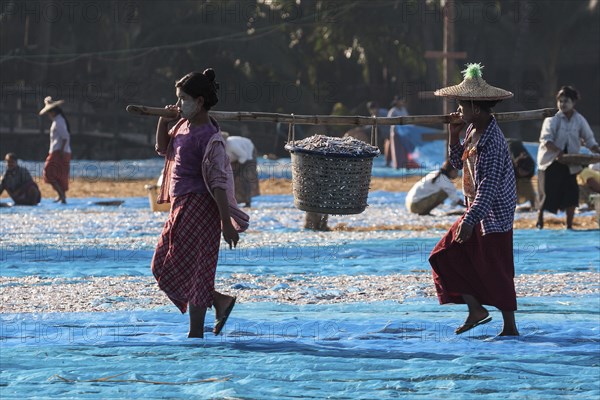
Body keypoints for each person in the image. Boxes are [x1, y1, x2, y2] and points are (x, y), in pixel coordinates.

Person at [152, 69, 249, 338]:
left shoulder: (209, 138)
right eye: (178, 99)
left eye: (183, 99)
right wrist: (163, 119)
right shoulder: (183, 125)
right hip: (180, 205)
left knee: (197, 270)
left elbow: (218, 184)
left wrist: (225, 223)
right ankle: (219, 301)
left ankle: (196, 333)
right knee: (162, 264)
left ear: (200, 102)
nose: (179, 104)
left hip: (201, 207)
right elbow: (163, 147)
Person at [428, 63, 519, 336]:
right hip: (475, 210)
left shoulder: (491, 140)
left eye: (461, 106)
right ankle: (476, 310)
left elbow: (488, 190)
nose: (458, 110)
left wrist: (469, 222)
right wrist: (452, 134)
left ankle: (510, 327)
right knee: (445, 256)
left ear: (476, 109)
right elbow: (457, 163)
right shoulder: (471, 130)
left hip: (493, 214)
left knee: (496, 267)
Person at [536, 86, 600, 229]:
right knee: (547, 194)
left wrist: (597, 150)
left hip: (570, 163)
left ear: (573, 103)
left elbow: (589, 140)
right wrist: (559, 152)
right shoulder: (552, 119)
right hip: (551, 162)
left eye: (566, 101)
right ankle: (540, 220)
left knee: (571, 194)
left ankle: (569, 225)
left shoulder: (579, 120)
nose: (562, 104)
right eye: (560, 101)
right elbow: (546, 140)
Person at [39, 96, 71, 204]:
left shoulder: (59, 121)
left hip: (59, 151)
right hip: (58, 150)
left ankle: (62, 195)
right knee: (58, 174)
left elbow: (65, 137)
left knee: (49, 173)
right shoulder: (58, 121)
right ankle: (61, 196)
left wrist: (62, 150)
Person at [221, 132, 260, 207]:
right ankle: (235, 200)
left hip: (248, 154)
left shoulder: (231, 145)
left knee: (244, 178)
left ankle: (247, 201)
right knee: (231, 178)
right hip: (237, 158)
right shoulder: (219, 147)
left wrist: (239, 168)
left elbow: (243, 156)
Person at [387, 96, 418, 169]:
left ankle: (405, 164)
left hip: (404, 134)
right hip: (396, 133)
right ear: (397, 102)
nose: (401, 102)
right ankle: (397, 165)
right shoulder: (393, 111)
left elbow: (407, 119)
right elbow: (388, 121)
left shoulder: (404, 110)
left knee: (404, 150)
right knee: (397, 150)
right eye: (400, 101)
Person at [507, 139, 537, 210]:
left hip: (517, 145)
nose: (524, 174)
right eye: (522, 171)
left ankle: (534, 204)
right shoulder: (510, 166)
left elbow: (528, 184)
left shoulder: (531, 167)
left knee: (527, 185)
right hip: (508, 146)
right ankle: (510, 205)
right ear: (518, 168)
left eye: (526, 172)